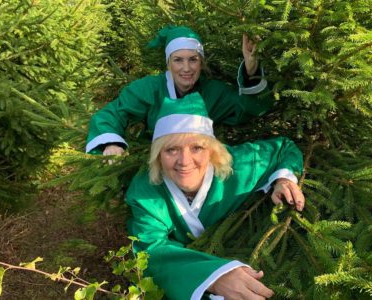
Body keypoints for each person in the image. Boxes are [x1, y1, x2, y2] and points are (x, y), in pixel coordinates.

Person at [125, 92, 305, 300]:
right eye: (171, 150)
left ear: (211, 150)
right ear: (158, 155)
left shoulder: (241, 164)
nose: (184, 161)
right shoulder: (145, 190)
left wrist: (283, 180)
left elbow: (284, 148)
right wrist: (213, 276)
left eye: (197, 148)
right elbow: (149, 250)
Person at [86, 25, 273, 155]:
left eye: (193, 59)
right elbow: (114, 112)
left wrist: (251, 70)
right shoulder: (148, 89)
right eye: (178, 60)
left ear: (201, 63)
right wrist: (112, 143)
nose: (186, 68)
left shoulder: (213, 92)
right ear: (168, 63)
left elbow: (247, 109)